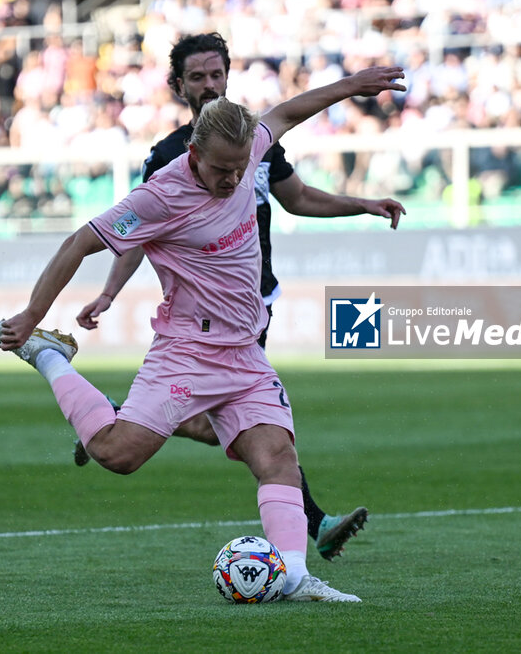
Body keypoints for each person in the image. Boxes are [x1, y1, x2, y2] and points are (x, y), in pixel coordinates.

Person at [0, 65, 406, 602]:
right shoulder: (160, 196)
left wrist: (351, 85)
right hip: (187, 352)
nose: (233, 180)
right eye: (222, 170)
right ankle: (49, 356)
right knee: (117, 455)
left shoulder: (248, 147)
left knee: (277, 457)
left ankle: (296, 577)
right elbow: (79, 243)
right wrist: (31, 315)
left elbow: (289, 112)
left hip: (245, 353)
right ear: (195, 154)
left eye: (240, 169)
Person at [72, 33, 406, 561]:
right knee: (253, 425)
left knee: (235, 423)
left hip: (257, 303)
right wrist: (110, 291)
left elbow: (297, 197)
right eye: (197, 77)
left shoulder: (254, 139)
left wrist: (360, 204)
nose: (209, 84)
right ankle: (313, 523)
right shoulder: (168, 157)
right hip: (206, 317)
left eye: (216, 74)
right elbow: (137, 232)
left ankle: (126, 417)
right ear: (178, 85)